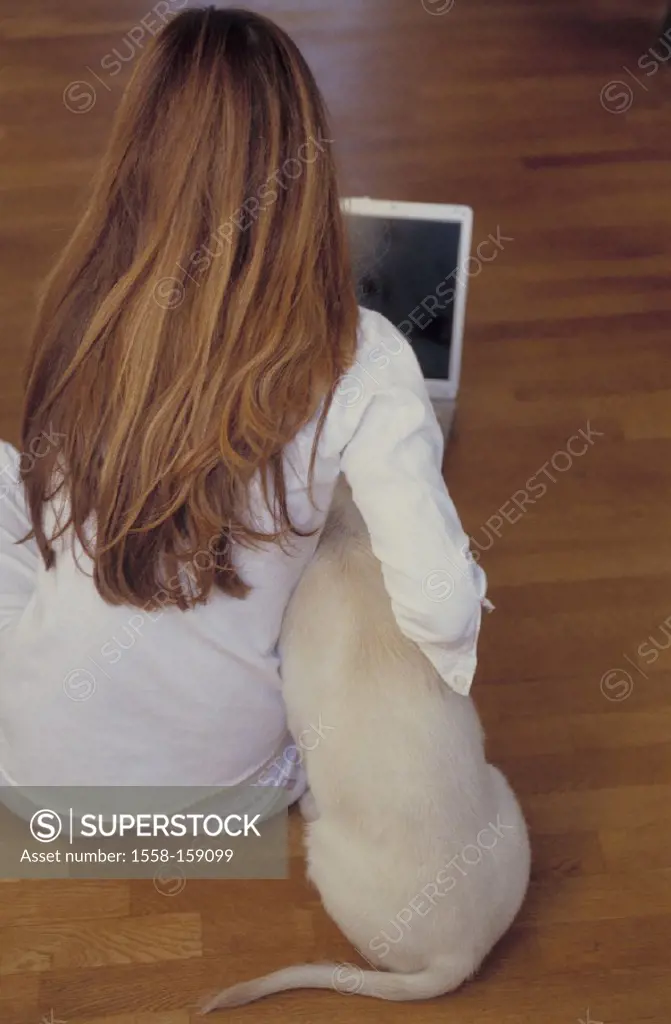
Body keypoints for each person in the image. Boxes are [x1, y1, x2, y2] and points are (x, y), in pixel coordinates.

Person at [0, 7, 489, 821]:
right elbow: (440, 609)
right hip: (223, 801)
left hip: (31, 774)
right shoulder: (361, 356)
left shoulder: (88, 300)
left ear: (137, 155)